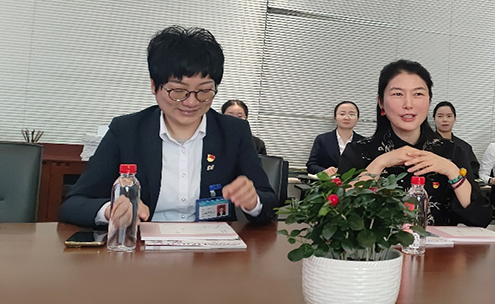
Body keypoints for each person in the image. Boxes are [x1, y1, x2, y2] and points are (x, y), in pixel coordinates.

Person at [59, 26, 277, 228]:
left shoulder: (233, 132)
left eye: (204, 91)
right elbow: (74, 203)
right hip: (142, 248)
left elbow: (269, 201)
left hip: (211, 251)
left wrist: (253, 202)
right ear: (154, 86)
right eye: (178, 91)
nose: (191, 102)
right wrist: (111, 210)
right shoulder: (126, 131)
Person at [338, 60, 492, 227]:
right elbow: (339, 215)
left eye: (418, 94)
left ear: (429, 101)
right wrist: (379, 163)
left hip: (438, 244)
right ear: (381, 102)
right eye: (398, 94)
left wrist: (451, 171)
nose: (408, 104)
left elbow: (481, 218)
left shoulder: (452, 152)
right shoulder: (359, 152)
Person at [306, 101, 365, 176]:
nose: (347, 117)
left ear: (357, 119)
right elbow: (311, 165)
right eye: (342, 114)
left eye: (352, 114)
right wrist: (325, 171)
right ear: (335, 118)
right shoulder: (322, 139)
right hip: (327, 182)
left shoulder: (363, 142)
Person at [433, 101, 480, 180]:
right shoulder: (426, 144)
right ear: (434, 119)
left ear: (454, 119)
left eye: (449, 116)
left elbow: (474, 173)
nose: (445, 120)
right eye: (440, 116)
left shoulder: (464, 147)